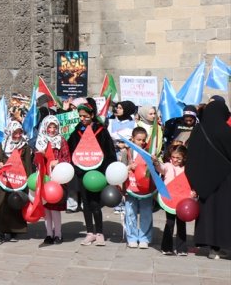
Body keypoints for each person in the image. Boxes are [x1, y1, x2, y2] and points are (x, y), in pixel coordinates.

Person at [186, 98, 231, 260]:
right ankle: (225, 245)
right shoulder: (226, 130)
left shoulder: (198, 130)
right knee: (224, 212)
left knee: (209, 213)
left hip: (204, 181)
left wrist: (195, 181)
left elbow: (191, 157)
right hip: (225, 180)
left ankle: (213, 249)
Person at [67, 103, 117, 247]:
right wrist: (76, 169)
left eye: (85, 116)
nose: (82, 119)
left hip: (97, 174)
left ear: (92, 115)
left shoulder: (101, 131)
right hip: (82, 173)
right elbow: (71, 150)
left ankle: (100, 233)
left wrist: (106, 170)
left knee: (95, 203)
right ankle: (90, 232)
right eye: (80, 116)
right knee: (86, 203)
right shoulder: (77, 131)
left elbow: (109, 152)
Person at [0, 121, 33, 245]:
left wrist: (28, 180)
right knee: (2, 204)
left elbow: (27, 165)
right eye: (15, 133)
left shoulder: (24, 146)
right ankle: (0, 231)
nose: (17, 135)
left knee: (15, 204)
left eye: (19, 132)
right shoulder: (4, 144)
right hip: (5, 179)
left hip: (18, 179)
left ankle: (14, 231)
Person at [35, 115, 69, 244]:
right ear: (45, 127)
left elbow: (67, 158)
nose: (52, 129)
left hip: (57, 179)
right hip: (44, 177)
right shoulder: (41, 141)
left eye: (55, 127)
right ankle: (49, 234)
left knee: (55, 208)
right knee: (46, 209)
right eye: (50, 126)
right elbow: (35, 160)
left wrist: (58, 161)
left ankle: (58, 234)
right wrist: (41, 156)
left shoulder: (62, 140)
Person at [123, 127, 155, 249]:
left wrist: (155, 161)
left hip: (145, 189)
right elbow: (120, 168)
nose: (141, 142)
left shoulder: (148, 152)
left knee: (146, 213)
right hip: (130, 187)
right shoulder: (127, 152)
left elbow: (154, 170)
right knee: (130, 213)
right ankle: (131, 237)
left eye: (143, 140)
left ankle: (144, 238)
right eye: (138, 139)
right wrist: (129, 167)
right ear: (132, 139)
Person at [158, 144, 192, 255]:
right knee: (170, 223)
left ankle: (181, 248)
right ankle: (166, 248)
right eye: (173, 157)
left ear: (184, 158)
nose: (175, 160)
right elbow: (160, 168)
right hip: (170, 200)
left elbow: (190, 183)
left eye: (178, 158)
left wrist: (193, 193)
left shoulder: (187, 169)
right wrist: (155, 162)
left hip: (182, 200)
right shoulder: (168, 165)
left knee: (182, 224)